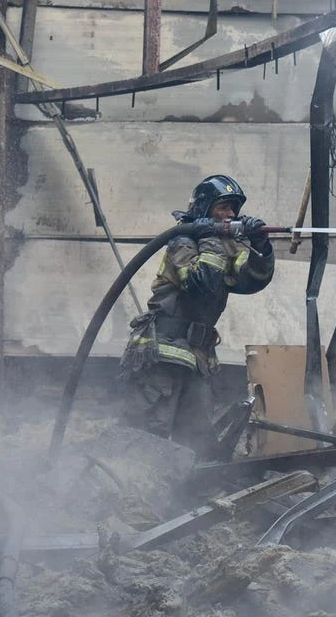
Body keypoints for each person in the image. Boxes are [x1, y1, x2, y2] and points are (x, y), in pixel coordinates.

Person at [118, 174, 276, 459]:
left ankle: (187, 498)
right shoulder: (183, 241)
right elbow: (202, 284)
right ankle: (127, 493)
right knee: (146, 435)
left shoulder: (219, 244)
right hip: (163, 353)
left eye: (233, 209)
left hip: (196, 356)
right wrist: (210, 238)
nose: (230, 214)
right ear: (204, 209)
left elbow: (250, 281)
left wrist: (260, 246)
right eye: (223, 207)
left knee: (197, 439)